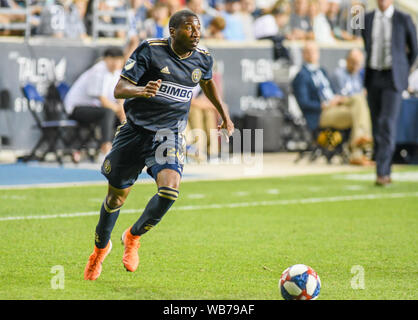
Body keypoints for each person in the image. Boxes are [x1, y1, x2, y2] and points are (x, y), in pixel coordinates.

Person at [84, 9, 234, 281]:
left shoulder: (203, 57)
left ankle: (132, 236)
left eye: (198, 28)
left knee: (169, 192)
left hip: (168, 135)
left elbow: (208, 83)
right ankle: (99, 251)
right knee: (116, 198)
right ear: (173, 31)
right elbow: (119, 89)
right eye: (190, 28)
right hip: (135, 131)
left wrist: (223, 114)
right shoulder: (150, 51)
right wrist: (142, 89)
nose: (196, 33)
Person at [361, 0, 417, 186]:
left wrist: (402, 70)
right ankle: (381, 167)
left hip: (393, 79)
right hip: (373, 76)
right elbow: (358, 37)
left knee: (386, 122)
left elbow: (414, 49)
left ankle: (383, 172)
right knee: (376, 124)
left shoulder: (403, 18)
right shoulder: (367, 18)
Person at [292, 41, 373, 165]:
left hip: (334, 106)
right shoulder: (301, 76)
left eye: (314, 51)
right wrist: (323, 105)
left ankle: (358, 147)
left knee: (359, 100)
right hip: (321, 113)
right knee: (359, 107)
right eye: (308, 52)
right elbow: (304, 103)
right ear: (304, 54)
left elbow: (330, 92)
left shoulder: (322, 71)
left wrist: (337, 99)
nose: (312, 54)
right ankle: (360, 145)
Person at [64, 47, 126, 158]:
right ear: (106, 59)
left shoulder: (117, 73)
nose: (116, 63)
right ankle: (105, 150)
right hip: (76, 108)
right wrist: (119, 110)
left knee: (126, 114)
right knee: (108, 112)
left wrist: (123, 111)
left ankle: (122, 149)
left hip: (96, 108)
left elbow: (120, 97)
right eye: (113, 60)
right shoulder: (99, 71)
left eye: (119, 60)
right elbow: (103, 101)